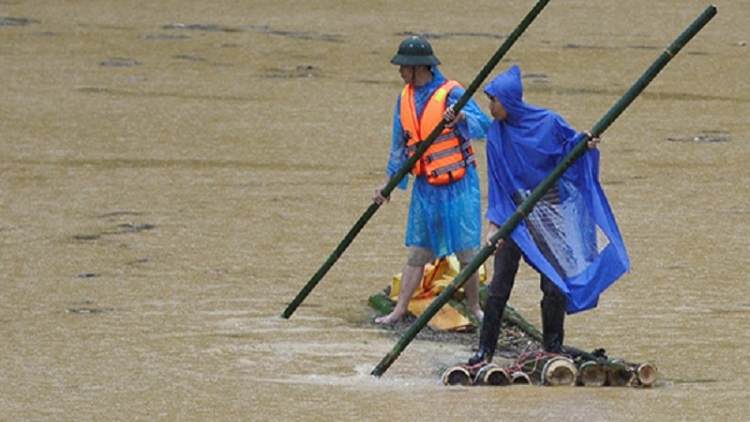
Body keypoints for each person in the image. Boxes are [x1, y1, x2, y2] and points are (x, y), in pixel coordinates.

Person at [468, 65, 630, 364]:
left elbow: (572, 150)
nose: (490, 107)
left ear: (510, 100)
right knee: (500, 283)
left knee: (554, 282)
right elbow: (498, 183)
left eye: (495, 101)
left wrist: (585, 144)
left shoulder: (548, 122)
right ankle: (485, 351)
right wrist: (493, 226)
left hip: (549, 213)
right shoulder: (496, 136)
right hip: (514, 214)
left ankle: (553, 346)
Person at [372, 36, 491, 325]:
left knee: (467, 250)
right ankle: (400, 310)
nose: (400, 72)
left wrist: (461, 117)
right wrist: (388, 186)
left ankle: (475, 307)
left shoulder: (452, 92)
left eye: (404, 67)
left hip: (459, 186)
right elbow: (399, 147)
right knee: (418, 250)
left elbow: (485, 126)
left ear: (419, 67)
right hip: (425, 187)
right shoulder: (404, 98)